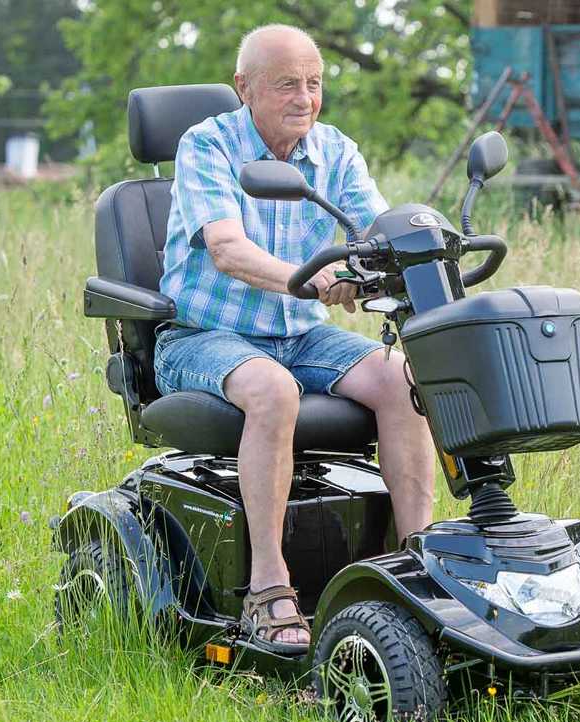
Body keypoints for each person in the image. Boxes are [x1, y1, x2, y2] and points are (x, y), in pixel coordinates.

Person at [154, 24, 435, 653]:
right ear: (244, 89)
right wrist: (307, 282)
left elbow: (376, 230)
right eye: (287, 84)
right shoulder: (208, 145)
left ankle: (415, 565)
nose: (304, 98)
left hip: (304, 338)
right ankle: (268, 586)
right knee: (273, 389)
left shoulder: (335, 151)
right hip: (205, 335)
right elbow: (226, 250)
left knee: (402, 379)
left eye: (314, 83)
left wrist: (401, 258)